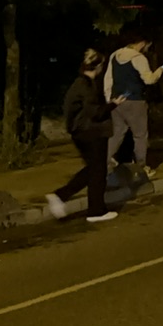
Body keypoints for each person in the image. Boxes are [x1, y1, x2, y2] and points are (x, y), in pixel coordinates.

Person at [46, 49, 121, 223]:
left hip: (82, 131)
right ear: (98, 66)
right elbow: (94, 112)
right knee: (98, 171)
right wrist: (113, 105)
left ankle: (62, 196)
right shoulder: (87, 86)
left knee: (93, 169)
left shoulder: (80, 83)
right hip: (91, 131)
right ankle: (95, 210)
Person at [104, 31, 163, 177]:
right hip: (135, 101)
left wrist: (110, 100)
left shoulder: (115, 55)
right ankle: (141, 166)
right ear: (143, 43)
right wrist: (160, 70)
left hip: (116, 101)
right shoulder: (138, 58)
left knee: (117, 133)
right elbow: (149, 79)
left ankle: (104, 161)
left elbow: (108, 79)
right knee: (140, 135)